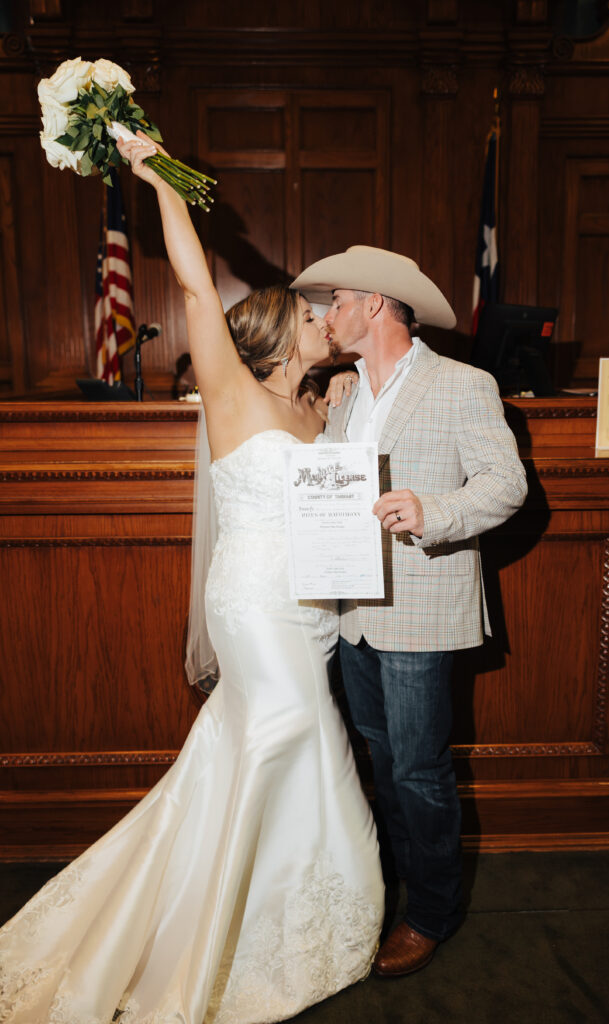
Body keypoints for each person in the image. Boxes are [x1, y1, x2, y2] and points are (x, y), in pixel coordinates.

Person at [0, 138, 383, 1023]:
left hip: (312, 605)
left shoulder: (317, 405)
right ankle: (255, 927)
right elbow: (197, 288)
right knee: (292, 732)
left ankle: (283, 915)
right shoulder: (232, 393)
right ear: (282, 327)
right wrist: (155, 169)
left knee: (284, 743)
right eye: (315, 311)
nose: (328, 317)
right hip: (255, 605)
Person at [292, 246, 528, 977]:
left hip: (422, 611)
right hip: (354, 612)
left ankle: (429, 913)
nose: (326, 316)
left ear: (374, 306)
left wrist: (435, 511)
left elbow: (505, 485)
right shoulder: (345, 392)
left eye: (336, 302)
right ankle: (393, 890)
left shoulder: (463, 384)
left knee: (420, 771)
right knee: (383, 762)